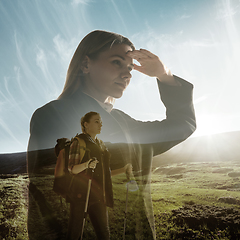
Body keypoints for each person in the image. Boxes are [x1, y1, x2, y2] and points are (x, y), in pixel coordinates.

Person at [27, 30, 196, 239]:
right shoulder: (52, 114)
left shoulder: (124, 122)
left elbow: (183, 124)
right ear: (85, 64)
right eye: (117, 62)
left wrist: (164, 74)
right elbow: (44, 198)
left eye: (130, 68)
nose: (127, 74)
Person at [67, 111, 127, 240]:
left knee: (104, 234)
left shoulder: (101, 144)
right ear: (86, 124)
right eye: (97, 121)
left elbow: (106, 173)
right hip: (81, 195)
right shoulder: (78, 142)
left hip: (99, 195)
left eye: (101, 122)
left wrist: (123, 170)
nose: (100, 124)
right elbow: (72, 169)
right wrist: (86, 165)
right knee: (75, 233)